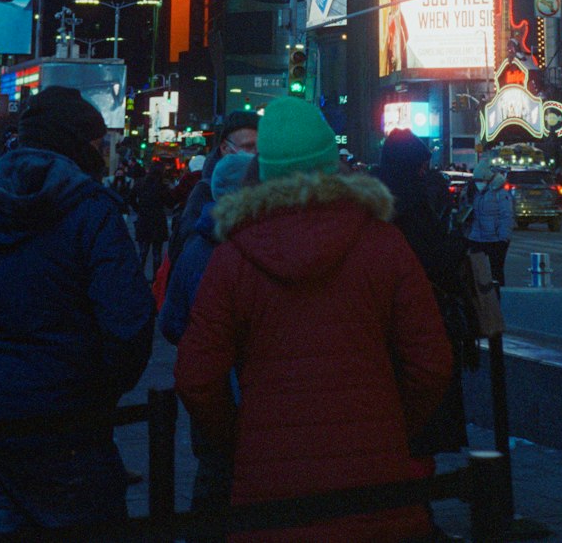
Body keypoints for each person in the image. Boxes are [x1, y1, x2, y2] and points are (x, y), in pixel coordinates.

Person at [175, 97, 453, 541]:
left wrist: (240, 438)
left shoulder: (234, 258)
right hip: (375, 481)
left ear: (263, 169)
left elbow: (196, 376)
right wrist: (392, 424)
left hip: (270, 489)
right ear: (332, 162)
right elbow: (432, 362)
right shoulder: (383, 244)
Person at [0, 86, 154, 536]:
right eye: (98, 146)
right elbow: (129, 324)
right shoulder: (94, 215)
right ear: (76, 146)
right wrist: (97, 388)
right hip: (68, 427)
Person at [160, 151, 254, 534]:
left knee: (213, 480)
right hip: (247, 393)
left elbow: (170, 321)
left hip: (211, 397)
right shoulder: (254, 248)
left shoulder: (196, 247)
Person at [377, 129, 471, 459]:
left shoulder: (372, 200)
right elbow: (434, 261)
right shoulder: (415, 204)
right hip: (418, 318)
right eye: (421, 165)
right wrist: (457, 242)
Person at [168, 111, 259, 263]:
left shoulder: (265, 185)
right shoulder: (204, 191)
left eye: (259, 148)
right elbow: (185, 253)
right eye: (248, 146)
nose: (255, 155)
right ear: (225, 147)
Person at [465, 155, 514, 286]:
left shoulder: (500, 194)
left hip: (495, 240)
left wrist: (503, 238)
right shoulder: (476, 193)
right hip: (478, 238)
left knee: (496, 273)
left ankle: (498, 300)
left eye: (480, 180)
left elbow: (506, 216)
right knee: (476, 273)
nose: (478, 183)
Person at [130, 159, 171, 275]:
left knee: (142, 252)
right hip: (158, 219)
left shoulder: (140, 183)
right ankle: (155, 280)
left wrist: (138, 209)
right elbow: (169, 202)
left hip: (143, 218)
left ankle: (139, 278)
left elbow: (131, 198)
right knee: (157, 253)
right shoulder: (162, 185)